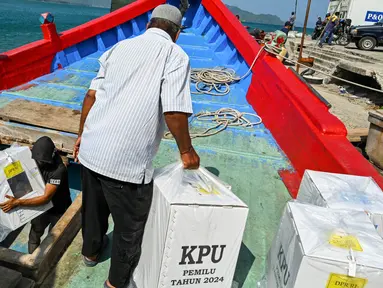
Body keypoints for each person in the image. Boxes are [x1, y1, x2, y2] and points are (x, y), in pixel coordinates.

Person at [73, 4, 200, 288]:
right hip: (126, 163)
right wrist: (186, 151)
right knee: (129, 228)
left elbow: (91, 96)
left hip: (92, 150)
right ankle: (116, 282)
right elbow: (174, 111)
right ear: (177, 32)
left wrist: (82, 135)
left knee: (92, 210)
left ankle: (90, 253)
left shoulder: (119, 48)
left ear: (149, 24)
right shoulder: (175, 55)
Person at [0, 136, 72, 254]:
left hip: (57, 208)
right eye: (37, 160)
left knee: (55, 239)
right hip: (39, 208)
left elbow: (45, 198)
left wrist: (18, 202)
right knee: (34, 235)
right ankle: (31, 261)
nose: (39, 163)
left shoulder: (59, 170)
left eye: (43, 162)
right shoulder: (33, 156)